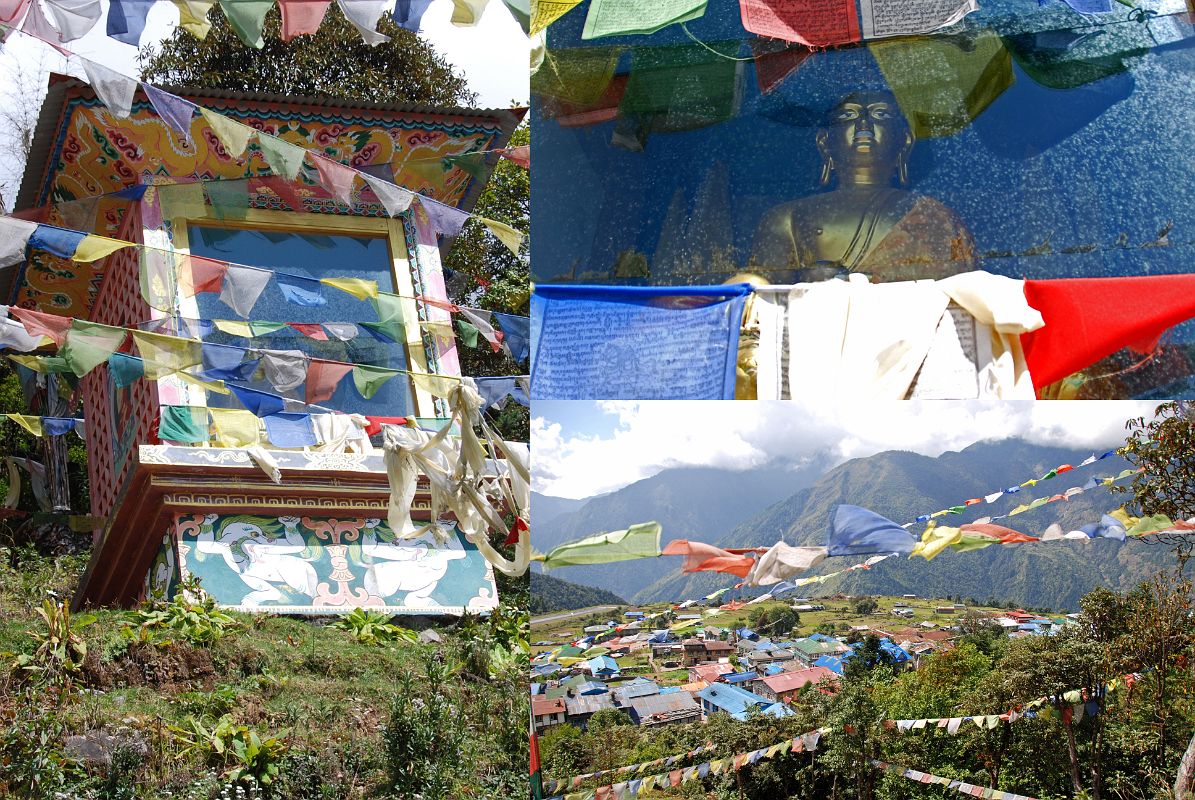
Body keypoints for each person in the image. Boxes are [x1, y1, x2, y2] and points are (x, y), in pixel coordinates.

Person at [749, 91, 976, 283]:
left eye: (881, 114)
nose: (864, 124)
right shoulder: (788, 218)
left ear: (905, 140)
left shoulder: (935, 218)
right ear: (824, 142)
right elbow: (763, 291)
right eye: (848, 115)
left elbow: (961, 296)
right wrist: (748, 282)